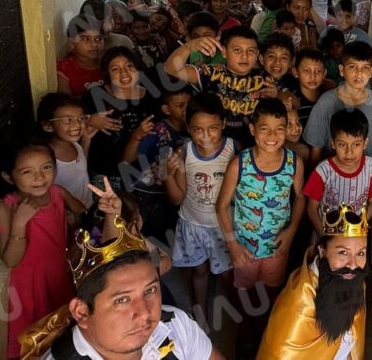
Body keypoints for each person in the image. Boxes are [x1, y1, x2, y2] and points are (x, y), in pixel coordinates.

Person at [19, 214, 221, 359]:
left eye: (150, 290)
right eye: (122, 300)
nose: (145, 314)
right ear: (81, 312)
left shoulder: (175, 323)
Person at [215, 98, 305, 356]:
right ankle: (244, 334)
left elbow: (300, 197)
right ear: (253, 129)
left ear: (287, 130)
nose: (272, 135)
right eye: (264, 128)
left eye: (279, 128)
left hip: (278, 246)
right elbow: (221, 206)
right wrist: (232, 244)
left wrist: (291, 232)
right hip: (244, 246)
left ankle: (265, 334)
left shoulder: (293, 162)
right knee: (244, 293)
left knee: (269, 293)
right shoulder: (240, 164)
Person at [0, 140, 86, 358]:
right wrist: (19, 223)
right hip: (30, 283)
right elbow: (11, 260)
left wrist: (74, 233)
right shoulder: (4, 208)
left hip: (59, 275)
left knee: (62, 332)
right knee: (33, 339)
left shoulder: (57, 194)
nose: (40, 177)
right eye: (27, 171)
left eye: (47, 167)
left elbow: (81, 212)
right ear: (9, 177)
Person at [257, 205, 369, 359]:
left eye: (360, 253)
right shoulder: (299, 303)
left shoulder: (355, 281)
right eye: (343, 252)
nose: (353, 264)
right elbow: (279, 354)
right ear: (322, 251)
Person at [167, 93, 237, 327]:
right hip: (193, 224)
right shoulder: (183, 153)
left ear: (223, 124)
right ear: (187, 127)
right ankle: (201, 313)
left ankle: (235, 307)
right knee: (200, 270)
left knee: (229, 272)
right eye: (198, 130)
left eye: (213, 128)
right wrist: (167, 175)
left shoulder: (234, 150)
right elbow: (177, 198)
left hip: (223, 225)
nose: (206, 136)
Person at [164, 25, 278, 146]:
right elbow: (170, 68)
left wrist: (276, 95)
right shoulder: (211, 72)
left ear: (257, 54)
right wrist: (188, 47)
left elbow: (287, 102)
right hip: (213, 144)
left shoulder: (264, 78)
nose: (245, 56)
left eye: (250, 51)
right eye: (237, 50)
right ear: (224, 52)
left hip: (250, 146)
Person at [303, 42, 372, 167]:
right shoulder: (326, 102)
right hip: (333, 178)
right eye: (352, 67)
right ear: (341, 70)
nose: (359, 73)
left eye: (365, 67)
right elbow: (316, 148)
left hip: (366, 179)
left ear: (371, 71)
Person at [82, 47, 162, 181]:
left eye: (129, 66)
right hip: (101, 171)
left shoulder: (152, 98)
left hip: (140, 172)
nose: (124, 73)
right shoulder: (94, 95)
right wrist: (89, 119)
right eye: (115, 69)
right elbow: (70, 121)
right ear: (107, 74)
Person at [305, 110, 372, 232]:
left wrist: (358, 226)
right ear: (333, 143)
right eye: (342, 145)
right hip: (325, 235)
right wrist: (323, 236)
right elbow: (311, 209)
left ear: (365, 143)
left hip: (356, 236)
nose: (349, 152)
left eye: (356, 144)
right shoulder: (322, 171)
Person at [128, 87, 191, 245]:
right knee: (146, 236)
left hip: (170, 192)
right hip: (146, 193)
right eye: (180, 105)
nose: (186, 110)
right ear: (166, 109)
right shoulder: (157, 131)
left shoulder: (193, 130)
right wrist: (137, 136)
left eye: (189, 104)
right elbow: (128, 159)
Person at [38, 93, 96, 209]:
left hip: (86, 207)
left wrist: (86, 141)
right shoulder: (46, 161)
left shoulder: (74, 144)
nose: (77, 124)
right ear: (48, 126)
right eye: (68, 120)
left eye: (81, 118)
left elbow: (79, 166)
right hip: (69, 217)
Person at [56, 14, 105, 98]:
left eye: (98, 39)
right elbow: (66, 105)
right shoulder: (64, 69)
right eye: (86, 39)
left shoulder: (108, 63)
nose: (94, 44)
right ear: (71, 44)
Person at [292, 48, 329, 130]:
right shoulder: (292, 101)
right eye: (306, 70)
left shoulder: (328, 98)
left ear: (324, 73)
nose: (312, 76)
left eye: (318, 71)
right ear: (295, 72)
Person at [128, 13, 166, 77]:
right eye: (136, 28)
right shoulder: (128, 45)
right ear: (129, 29)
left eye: (145, 27)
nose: (142, 31)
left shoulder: (157, 41)